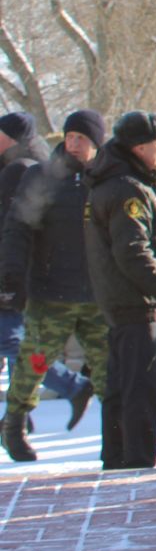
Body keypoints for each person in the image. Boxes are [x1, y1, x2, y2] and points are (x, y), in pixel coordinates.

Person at [84, 112, 156, 469]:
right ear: (141, 147)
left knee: (120, 389)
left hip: (120, 302)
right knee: (140, 391)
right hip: (135, 302)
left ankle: (117, 458)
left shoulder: (116, 182)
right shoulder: (127, 189)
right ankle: (136, 461)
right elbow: (133, 253)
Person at [0, 111, 111, 462]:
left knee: (109, 368)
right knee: (32, 360)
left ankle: (118, 434)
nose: (74, 144)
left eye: (83, 139)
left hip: (97, 292)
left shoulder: (109, 179)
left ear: (97, 144)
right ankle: (14, 425)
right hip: (50, 292)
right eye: (70, 137)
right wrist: (12, 272)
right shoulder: (42, 176)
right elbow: (18, 227)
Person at [0, 111, 50, 411]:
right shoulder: (31, 164)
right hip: (22, 269)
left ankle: (20, 414)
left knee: (15, 341)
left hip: (16, 269)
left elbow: (11, 227)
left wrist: (8, 273)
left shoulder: (19, 170)